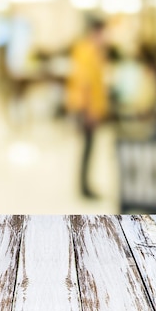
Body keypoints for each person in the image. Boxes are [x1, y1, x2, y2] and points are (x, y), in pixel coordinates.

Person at [66, 18, 109, 199]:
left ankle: (85, 185)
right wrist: (89, 110)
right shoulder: (87, 52)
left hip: (90, 107)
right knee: (88, 147)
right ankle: (84, 188)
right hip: (86, 108)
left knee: (89, 146)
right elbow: (85, 84)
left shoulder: (90, 51)